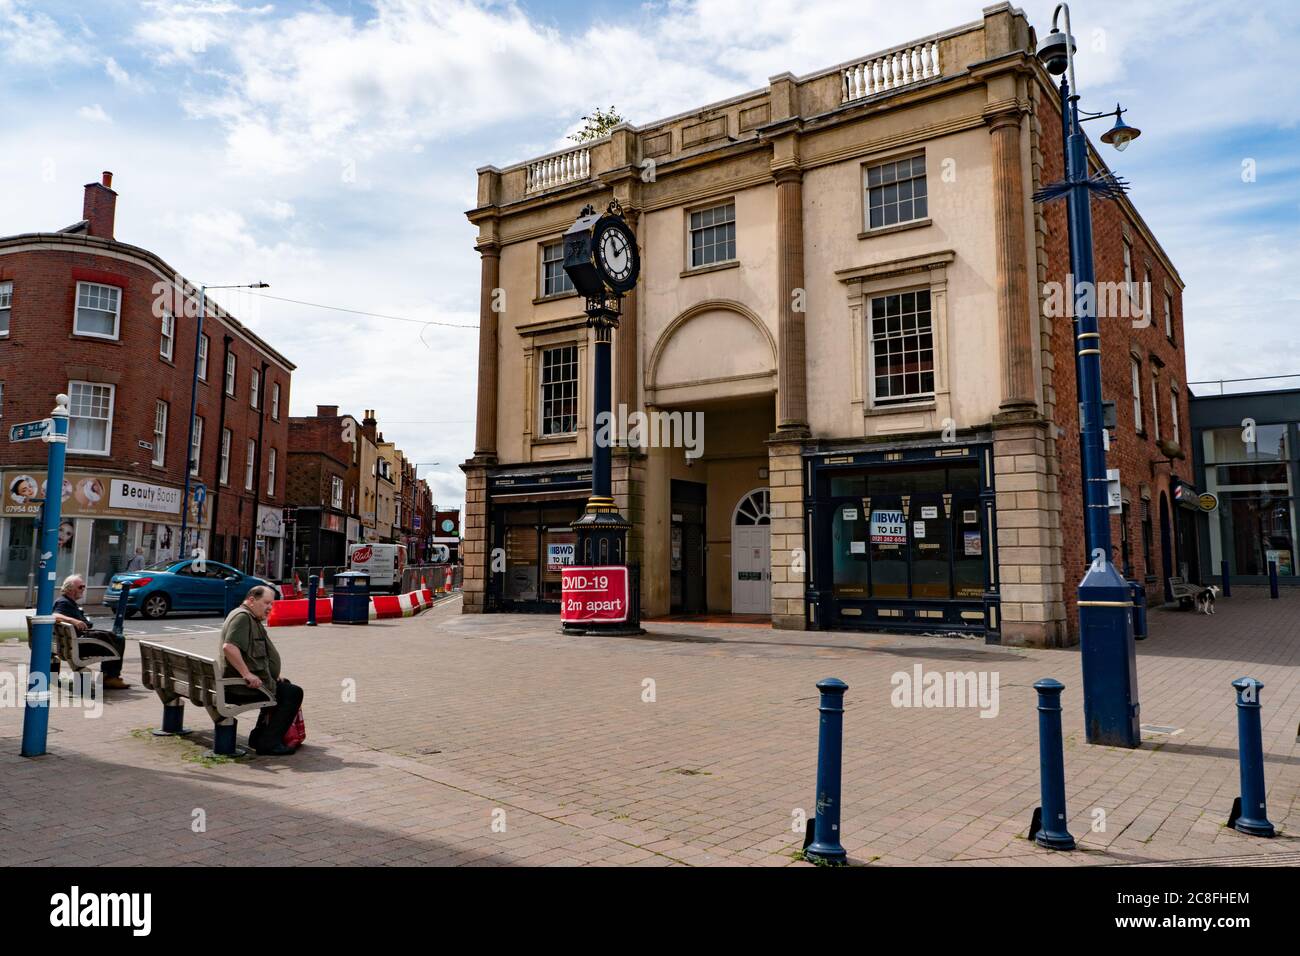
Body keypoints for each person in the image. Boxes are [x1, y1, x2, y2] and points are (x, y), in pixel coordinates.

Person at [221, 585, 302, 756]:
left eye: (272, 604)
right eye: (266, 603)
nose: (270, 607)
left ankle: (260, 736)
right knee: (293, 693)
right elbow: (229, 647)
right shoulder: (243, 618)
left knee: (286, 687)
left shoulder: (249, 617)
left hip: (245, 683)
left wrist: (273, 675)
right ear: (252, 600)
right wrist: (246, 674)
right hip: (240, 687)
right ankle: (269, 743)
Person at [52, 574, 130, 690]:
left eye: (84, 586)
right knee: (118, 639)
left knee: (112, 637)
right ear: (70, 589)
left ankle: (109, 675)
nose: (83, 589)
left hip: (69, 643)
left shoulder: (65, 601)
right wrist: (73, 620)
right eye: (80, 587)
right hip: (77, 645)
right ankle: (110, 677)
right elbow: (54, 615)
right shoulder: (64, 602)